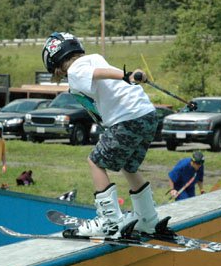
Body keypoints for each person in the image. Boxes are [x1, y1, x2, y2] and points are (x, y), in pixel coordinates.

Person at [42, 32, 159, 237]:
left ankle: (109, 221)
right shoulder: (93, 57)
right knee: (128, 165)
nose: (60, 76)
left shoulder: (75, 69)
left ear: (58, 63)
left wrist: (126, 75)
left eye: (57, 72)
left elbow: (97, 74)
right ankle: (147, 219)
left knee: (95, 161)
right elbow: (99, 74)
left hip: (127, 118)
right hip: (147, 115)